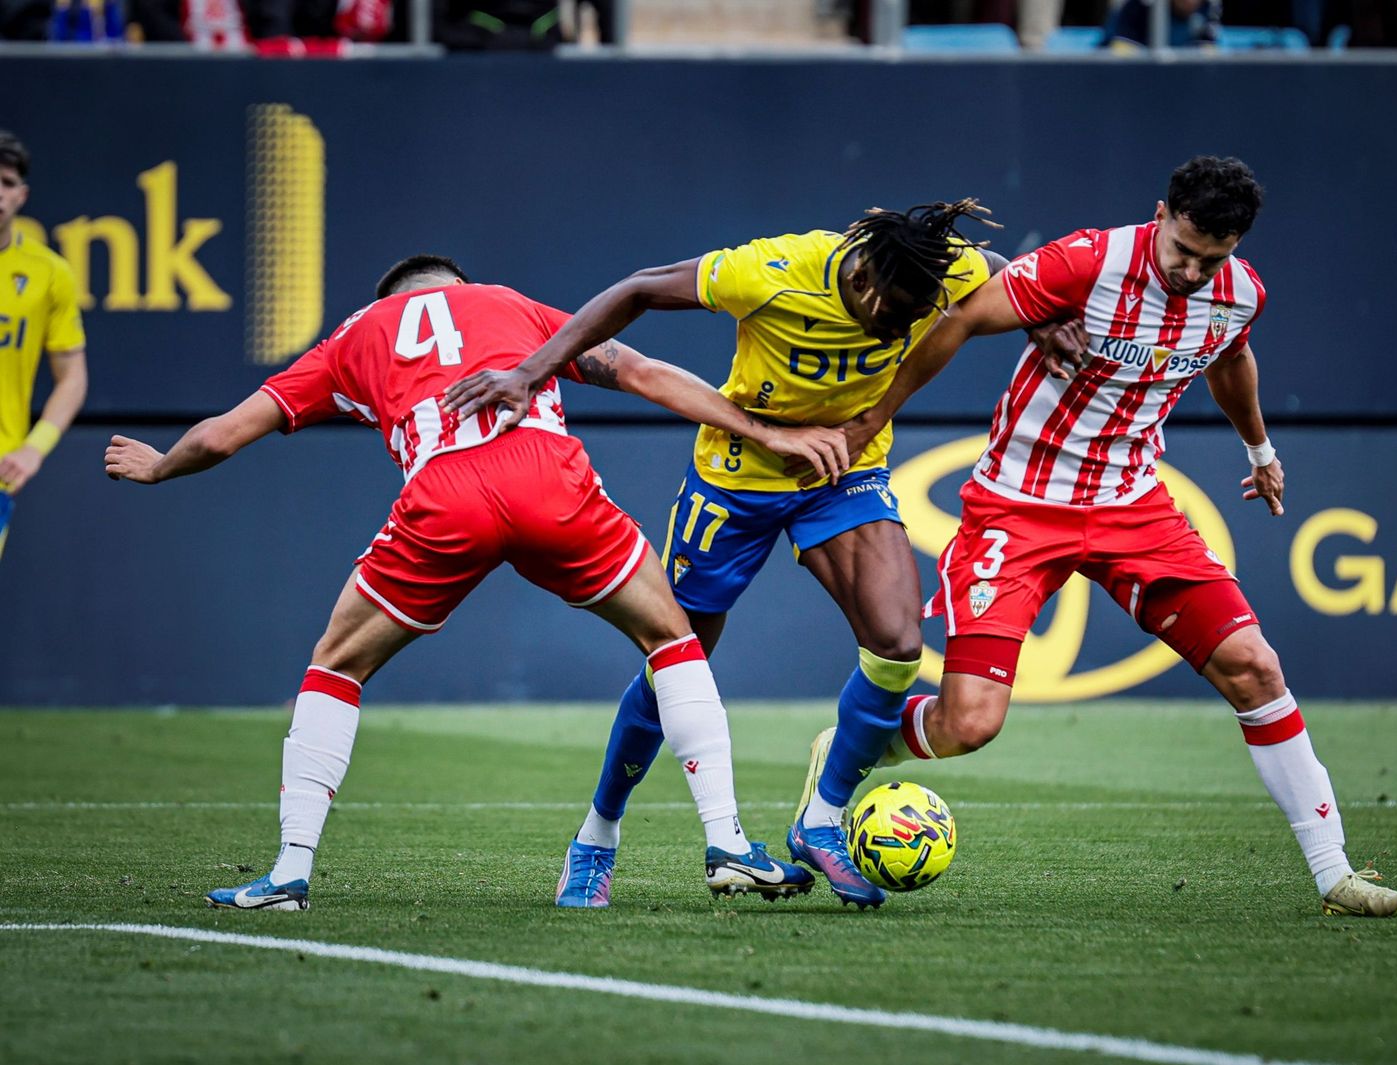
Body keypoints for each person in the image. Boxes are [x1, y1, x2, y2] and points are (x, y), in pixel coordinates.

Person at [103, 255, 851, 910]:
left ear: (388, 298)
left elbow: (225, 432)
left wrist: (161, 463)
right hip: (547, 481)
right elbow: (645, 373)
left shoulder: (353, 337)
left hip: (445, 498)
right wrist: (770, 432)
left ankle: (289, 873)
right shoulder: (509, 303)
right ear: (458, 286)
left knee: (336, 665)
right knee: (671, 638)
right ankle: (726, 843)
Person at [825, 157, 1397, 918]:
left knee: (1255, 667)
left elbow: (1232, 358)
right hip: (1018, 505)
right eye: (1183, 250)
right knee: (969, 723)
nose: (1194, 270)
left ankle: (1335, 873)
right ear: (1160, 214)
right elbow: (966, 315)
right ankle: (854, 742)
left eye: (1214, 257)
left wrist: (1261, 451)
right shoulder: (1089, 260)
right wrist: (873, 419)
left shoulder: (1240, 294)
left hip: (1133, 507)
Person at [444, 202, 1082, 909]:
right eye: (894, 314)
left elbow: (993, 269)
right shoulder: (773, 271)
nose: (901, 330)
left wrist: (1041, 315)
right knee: (674, 663)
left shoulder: (933, 271)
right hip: (736, 477)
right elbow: (638, 288)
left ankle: (821, 819)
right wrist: (531, 372)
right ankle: (598, 835)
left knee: (898, 644)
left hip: (844, 471)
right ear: (866, 277)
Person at [0, 130, 88, 562]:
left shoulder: (50, 273)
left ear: (22, 194)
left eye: (6, 182)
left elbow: (72, 377)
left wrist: (35, 447)